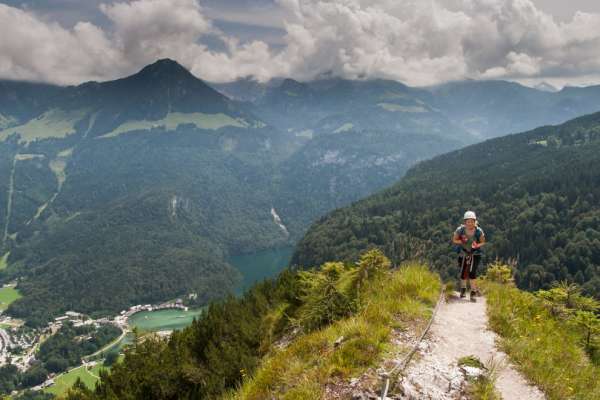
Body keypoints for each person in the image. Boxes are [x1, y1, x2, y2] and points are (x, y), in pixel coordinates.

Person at [452, 211, 486, 300]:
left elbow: (483, 242)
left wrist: (477, 245)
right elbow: (454, 240)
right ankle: (463, 289)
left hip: (475, 253)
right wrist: (462, 241)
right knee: (463, 271)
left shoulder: (478, 231)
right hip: (463, 252)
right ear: (465, 222)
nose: (470, 223)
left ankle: (473, 292)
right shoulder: (460, 230)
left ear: (474, 221)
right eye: (468, 221)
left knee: (472, 272)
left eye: (472, 221)